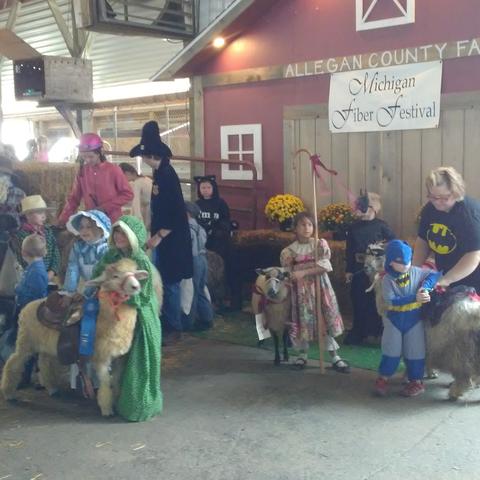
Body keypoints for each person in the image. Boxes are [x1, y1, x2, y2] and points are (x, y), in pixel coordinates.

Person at [92, 215, 162, 422]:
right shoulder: (110, 256)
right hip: (113, 312)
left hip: (139, 317)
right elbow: (99, 275)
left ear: (133, 236)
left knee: (136, 360)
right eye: (116, 232)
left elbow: (143, 295)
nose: (119, 236)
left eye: (124, 233)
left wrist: (120, 294)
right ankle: (106, 396)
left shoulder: (140, 260)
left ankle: (135, 405)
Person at [130, 121, 192, 344]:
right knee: (165, 279)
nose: (144, 161)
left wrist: (159, 236)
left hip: (171, 240)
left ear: (151, 155)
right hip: (165, 238)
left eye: (145, 157)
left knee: (171, 282)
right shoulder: (160, 174)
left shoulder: (167, 175)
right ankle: (167, 323)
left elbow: (175, 210)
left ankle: (174, 327)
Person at [280, 211, 350, 372]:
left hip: (319, 288)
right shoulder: (289, 251)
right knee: (303, 319)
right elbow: (288, 272)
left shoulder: (319, 245)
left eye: (310, 224)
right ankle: (302, 355)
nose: (307, 228)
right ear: (295, 228)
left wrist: (303, 272)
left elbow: (325, 266)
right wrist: (292, 276)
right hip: (301, 292)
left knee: (323, 319)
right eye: (303, 225)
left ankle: (335, 357)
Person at [374, 240, 440, 397]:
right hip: (394, 320)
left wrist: (426, 287)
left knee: (416, 351)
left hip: (414, 320)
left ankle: (416, 381)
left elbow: (435, 274)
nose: (405, 266)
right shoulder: (387, 280)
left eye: (408, 261)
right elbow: (391, 301)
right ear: (390, 262)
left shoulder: (415, 271)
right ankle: (383, 378)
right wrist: (415, 298)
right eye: (400, 263)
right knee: (391, 351)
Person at [413, 166, 480, 291]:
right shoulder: (429, 210)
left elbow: (474, 255)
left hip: (473, 279)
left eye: (444, 198)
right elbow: (422, 242)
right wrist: (414, 271)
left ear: (456, 192)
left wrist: (446, 280)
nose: (437, 202)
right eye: (432, 197)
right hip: (445, 272)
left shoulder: (469, 214)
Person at [344, 192, 395, 345]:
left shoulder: (382, 226)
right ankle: (359, 331)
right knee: (358, 298)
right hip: (359, 267)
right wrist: (349, 270)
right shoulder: (353, 228)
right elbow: (349, 250)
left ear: (373, 208)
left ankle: (378, 331)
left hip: (377, 270)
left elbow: (394, 243)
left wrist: (381, 249)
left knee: (376, 300)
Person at [58, 133, 133, 225]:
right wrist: (63, 219)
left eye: (91, 156)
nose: (87, 160)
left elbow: (128, 194)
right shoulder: (82, 172)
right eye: (84, 157)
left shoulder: (113, 170)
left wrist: (105, 207)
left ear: (100, 152)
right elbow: (74, 198)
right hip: (92, 222)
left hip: (112, 221)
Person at [0, 234, 48, 375]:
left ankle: (23, 374)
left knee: (25, 345)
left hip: (30, 312)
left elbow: (35, 293)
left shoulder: (36, 271)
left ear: (24, 253)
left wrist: (17, 288)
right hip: (27, 310)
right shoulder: (34, 268)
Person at [182, 202, 214, 331]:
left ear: (187, 213)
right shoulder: (200, 228)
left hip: (193, 260)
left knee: (191, 291)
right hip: (203, 258)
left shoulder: (187, 228)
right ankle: (207, 317)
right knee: (201, 288)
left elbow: (187, 246)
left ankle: (190, 321)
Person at [14, 195, 60, 283]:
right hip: (30, 277)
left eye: (44, 213)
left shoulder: (48, 231)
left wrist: (51, 272)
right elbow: (20, 258)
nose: (44, 216)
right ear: (28, 215)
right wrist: (33, 274)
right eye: (40, 213)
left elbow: (56, 253)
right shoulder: (21, 236)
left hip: (48, 276)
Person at [63, 210, 111, 293]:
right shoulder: (78, 247)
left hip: (105, 288)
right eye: (81, 227)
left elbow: (108, 274)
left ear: (101, 229)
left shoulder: (106, 249)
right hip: (86, 285)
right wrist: (69, 292)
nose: (84, 230)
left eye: (89, 227)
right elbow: (72, 269)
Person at [119, 162, 152, 229]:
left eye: (122, 176)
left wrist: (138, 225)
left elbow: (136, 205)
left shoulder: (137, 184)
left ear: (127, 173)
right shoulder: (146, 179)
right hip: (151, 209)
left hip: (149, 211)